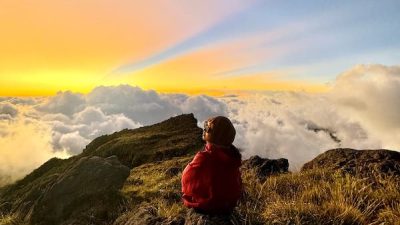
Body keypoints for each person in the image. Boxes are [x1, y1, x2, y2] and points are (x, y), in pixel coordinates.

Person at [181, 116, 242, 215]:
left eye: (208, 128)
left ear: (214, 135)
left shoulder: (204, 158)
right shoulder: (233, 158)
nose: (204, 130)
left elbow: (186, 178)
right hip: (229, 205)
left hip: (208, 206)